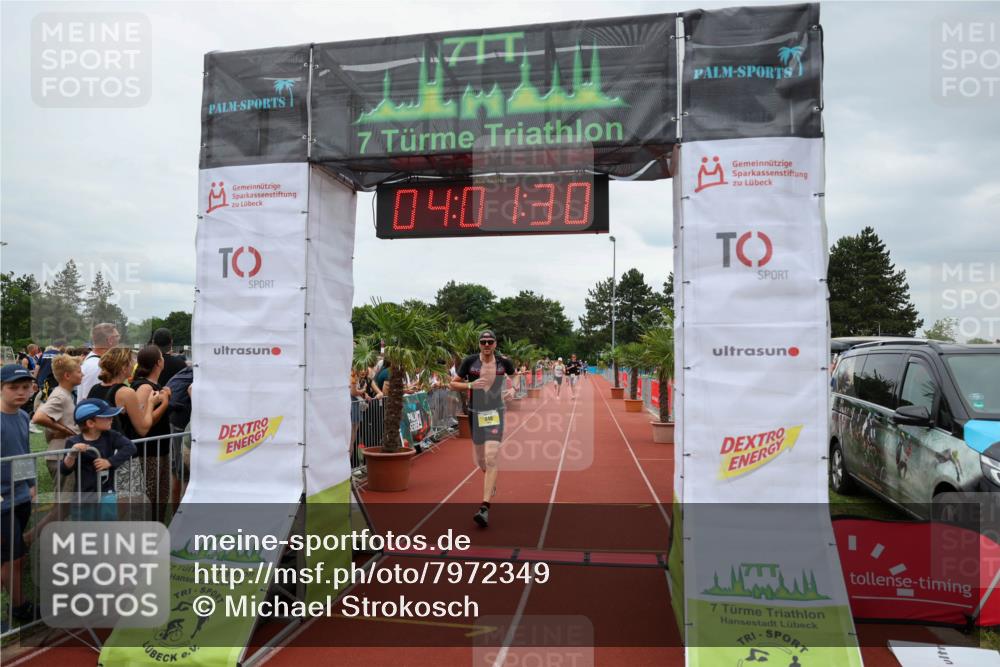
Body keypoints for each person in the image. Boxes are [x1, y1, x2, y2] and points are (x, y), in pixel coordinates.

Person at [450, 330, 517, 528]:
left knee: (491, 456)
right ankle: (491, 478)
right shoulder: (470, 362)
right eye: (483, 342)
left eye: (490, 341)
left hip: (495, 413)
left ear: (495, 344)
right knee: (480, 459)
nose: (486, 345)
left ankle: (484, 507)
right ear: (479, 344)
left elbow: (516, 377)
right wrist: (470, 385)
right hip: (475, 413)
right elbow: (452, 384)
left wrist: (513, 389)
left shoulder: (504, 362)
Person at [1, 364, 37, 625]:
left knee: (15, 555)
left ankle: (17, 602)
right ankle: (19, 606)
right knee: (11, 557)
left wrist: (32, 482)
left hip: (21, 495)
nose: (21, 392)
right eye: (14, 387)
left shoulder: (24, 417)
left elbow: (25, 452)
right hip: (2, 501)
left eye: (25, 387)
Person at [129, 346, 174, 520]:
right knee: (149, 496)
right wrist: (164, 403)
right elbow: (141, 422)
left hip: (160, 449)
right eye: (161, 357)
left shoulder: (155, 386)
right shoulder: (145, 387)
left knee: (161, 495)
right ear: (158, 363)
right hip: (148, 452)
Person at [60, 398, 136, 496]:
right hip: (84, 496)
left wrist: (110, 462)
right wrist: (71, 454)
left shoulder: (111, 436)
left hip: (107, 493)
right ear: (90, 423)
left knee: (108, 511)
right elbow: (64, 470)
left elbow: (130, 447)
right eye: (107, 416)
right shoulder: (73, 442)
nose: (112, 419)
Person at [31, 354, 82, 495]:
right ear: (67, 375)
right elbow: (39, 417)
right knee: (63, 506)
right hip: (60, 456)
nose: (82, 374)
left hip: (64, 454)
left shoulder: (65, 394)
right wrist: (65, 430)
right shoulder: (60, 395)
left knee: (66, 504)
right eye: (79, 371)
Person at [80, 323, 121, 399]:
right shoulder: (96, 366)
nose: (119, 339)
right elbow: (90, 401)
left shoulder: (95, 362)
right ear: (110, 340)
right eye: (117, 336)